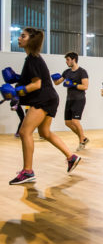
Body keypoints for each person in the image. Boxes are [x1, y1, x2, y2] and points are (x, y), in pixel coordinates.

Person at [1, 28, 81, 185]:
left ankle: (27, 172)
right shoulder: (32, 59)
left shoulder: (33, 59)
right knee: (44, 132)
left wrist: (18, 91)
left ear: (31, 40)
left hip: (43, 99)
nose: (19, 38)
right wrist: (16, 78)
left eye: (23, 36)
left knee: (25, 132)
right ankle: (71, 157)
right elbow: (34, 79)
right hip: (50, 98)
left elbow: (36, 84)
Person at [53, 51, 89, 151]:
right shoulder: (67, 72)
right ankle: (83, 137)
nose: (66, 62)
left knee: (75, 121)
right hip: (69, 99)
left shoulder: (82, 72)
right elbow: (58, 83)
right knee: (68, 122)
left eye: (68, 59)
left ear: (74, 60)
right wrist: (54, 79)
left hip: (79, 99)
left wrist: (73, 84)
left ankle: (82, 141)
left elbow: (85, 86)